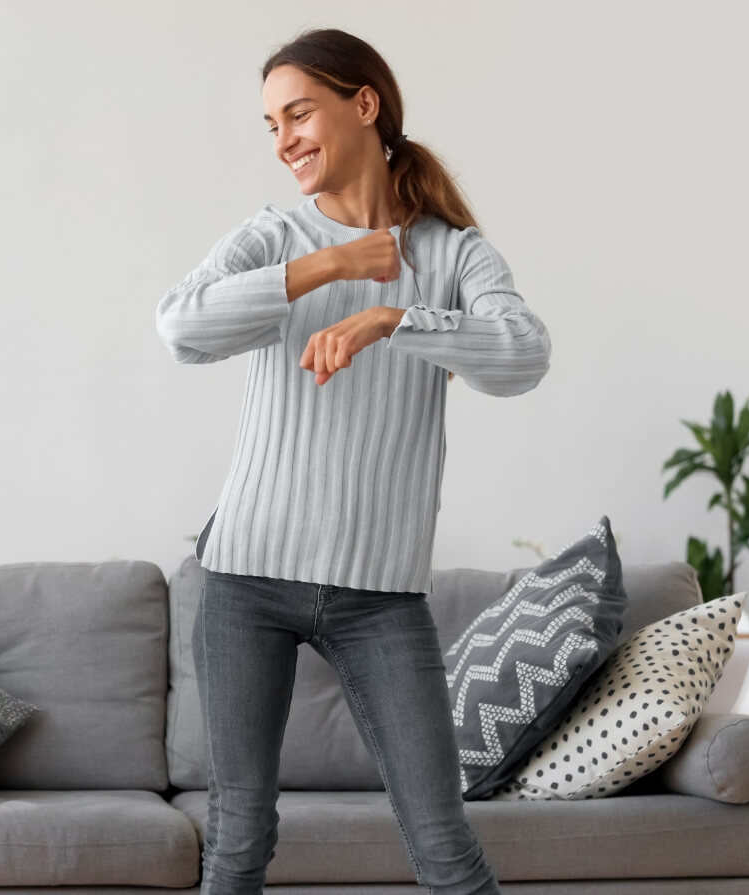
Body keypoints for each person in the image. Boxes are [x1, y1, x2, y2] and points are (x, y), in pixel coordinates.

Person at [156, 28, 551, 895]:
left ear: (363, 104)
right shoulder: (271, 236)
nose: (284, 139)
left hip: (379, 596)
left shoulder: (451, 253)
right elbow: (179, 326)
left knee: (443, 845)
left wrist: (395, 319)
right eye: (270, 125)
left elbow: (523, 354)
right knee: (238, 836)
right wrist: (324, 266)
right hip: (243, 581)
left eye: (298, 113)